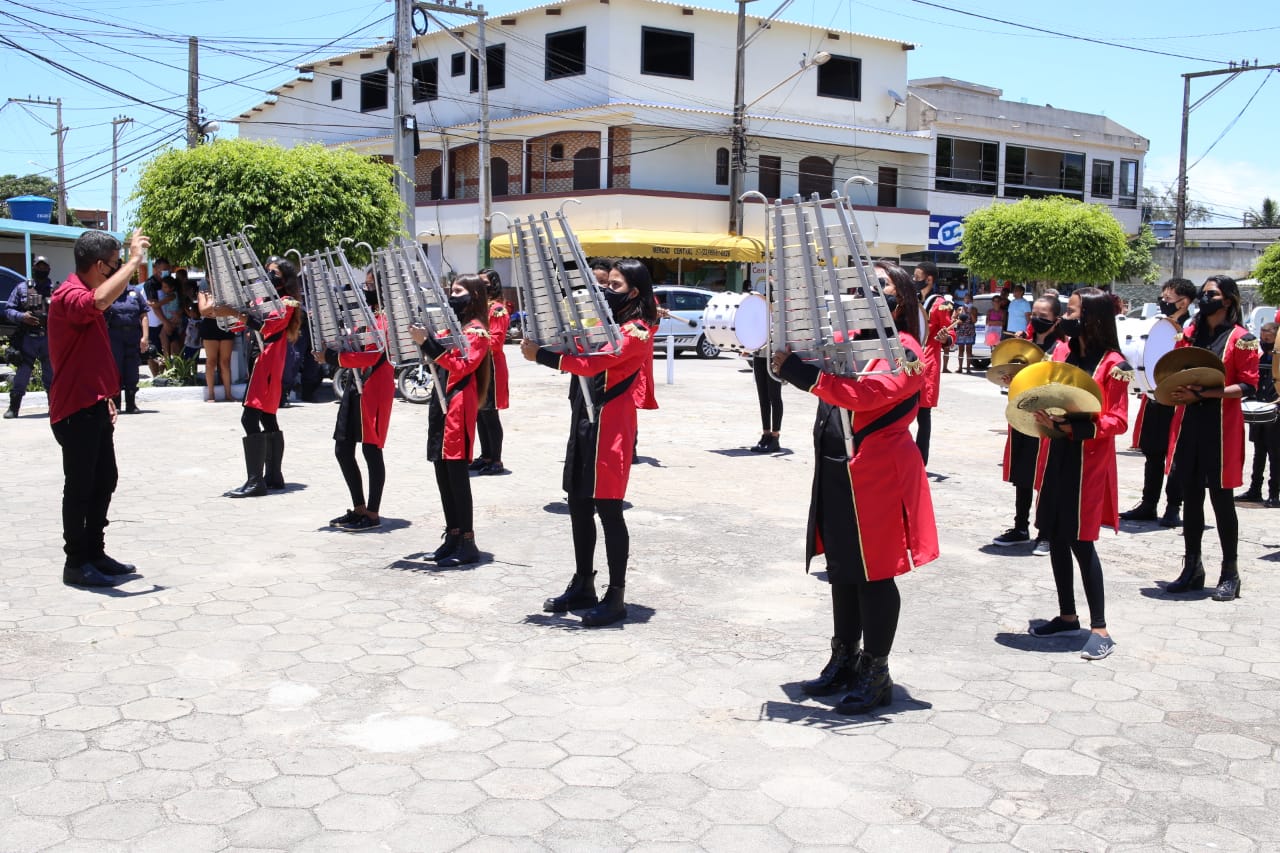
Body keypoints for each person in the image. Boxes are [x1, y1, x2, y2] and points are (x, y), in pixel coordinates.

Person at [780, 259, 937, 713]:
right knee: (844, 569)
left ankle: (876, 671)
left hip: (877, 472)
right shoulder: (849, 339)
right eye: (862, 285)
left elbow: (871, 394)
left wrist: (809, 377)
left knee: (874, 573)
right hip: (838, 466)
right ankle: (844, 658)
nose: (867, 291)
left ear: (900, 300)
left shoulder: (907, 348)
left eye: (880, 285)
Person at [522, 258, 658, 627]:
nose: (606, 291)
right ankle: (584, 583)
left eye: (615, 285)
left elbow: (592, 364)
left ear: (635, 292)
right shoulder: (607, 324)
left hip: (611, 424)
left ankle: (616, 596)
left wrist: (543, 357)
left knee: (609, 510)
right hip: (585, 416)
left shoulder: (637, 331)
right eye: (605, 283)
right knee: (578, 503)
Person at [1027, 287, 1128, 660]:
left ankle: (1100, 629)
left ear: (1093, 318)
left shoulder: (1115, 363)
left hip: (1088, 461)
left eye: (1071, 312)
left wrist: (1077, 427)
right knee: (1055, 534)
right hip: (1058, 453)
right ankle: (1068, 615)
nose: (1064, 318)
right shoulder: (1062, 353)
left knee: (1081, 541)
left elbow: (1118, 420)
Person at [47, 229, 150, 587]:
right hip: (74, 409)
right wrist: (134, 262)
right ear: (98, 265)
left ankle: (95, 552)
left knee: (105, 479)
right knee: (80, 485)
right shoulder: (68, 295)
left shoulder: (84, 293)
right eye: (114, 265)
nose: (117, 271)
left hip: (93, 403)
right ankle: (76, 563)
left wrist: (105, 395)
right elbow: (100, 301)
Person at [1161, 275, 1259, 602]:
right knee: (1191, 498)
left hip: (1220, 428)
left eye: (1211, 294)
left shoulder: (1241, 339)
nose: (1205, 299)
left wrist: (1207, 393)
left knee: (1221, 500)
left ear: (1228, 300)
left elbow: (1248, 385)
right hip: (1189, 424)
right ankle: (1192, 568)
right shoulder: (1191, 334)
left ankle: (1230, 573)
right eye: (1203, 294)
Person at [413, 274, 492, 567]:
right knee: (442, 471)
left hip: (458, 403)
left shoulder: (477, 331)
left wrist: (429, 344)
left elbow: (462, 365)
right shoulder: (454, 328)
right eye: (452, 290)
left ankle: (468, 541)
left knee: (457, 474)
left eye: (458, 291)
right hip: (441, 400)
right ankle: (453, 534)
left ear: (474, 296)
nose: (452, 295)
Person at [213, 257, 302, 498]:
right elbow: (246, 323)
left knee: (250, 417)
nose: (269, 276)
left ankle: (256, 481)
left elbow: (267, 326)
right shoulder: (264, 299)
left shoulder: (287, 301)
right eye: (267, 271)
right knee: (267, 416)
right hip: (260, 359)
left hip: (268, 362)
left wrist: (236, 313)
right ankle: (273, 476)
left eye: (275, 273)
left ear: (285, 279)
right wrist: (229, 314)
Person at [993, 294, 1065, 555]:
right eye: (1034, 314)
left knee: (1046, 477)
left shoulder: (1062, 347)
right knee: (1022, 474)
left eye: (1043, 316)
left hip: (1048, 419)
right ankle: (1020, 527)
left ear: (1056, 320)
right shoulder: (1023, 342)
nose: (1036, 319)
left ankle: (1046, 532)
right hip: (1023, 414)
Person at [1121, 278, 1196, 525]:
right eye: (1162, 297)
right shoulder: (1157, 325)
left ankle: (1174, 506)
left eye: (1168, 298)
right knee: (1153, 451)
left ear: (1184, 302)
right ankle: (1148, 503)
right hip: (1155, 397)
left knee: (1176, 455)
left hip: (1180, 400)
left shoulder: (1193, 328)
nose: (1163, 302)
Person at [324, 280, 394, 532]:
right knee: (343, 448)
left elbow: (373, 355)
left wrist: (334, 358)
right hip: (355, 383)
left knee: (371, 449)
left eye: (371, 285)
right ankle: (359, 508)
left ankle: (372, 513)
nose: (366, 289)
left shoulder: (385, 320)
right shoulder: (363, 317)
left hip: (374, 386)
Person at [3, 255, 56, 418]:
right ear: (33, 268)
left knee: (51, 374)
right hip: (28, 338)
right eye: (38, 266)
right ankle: (14, 407)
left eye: (44, 267)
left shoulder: (55, 289)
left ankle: (54, 408)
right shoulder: (22, 288)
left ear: (49, 269)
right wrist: (22, 316)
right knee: (23, 373)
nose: (41, 269)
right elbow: (8, 310)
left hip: (48, 338)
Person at [472, 268, 510, 476]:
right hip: (479, 364)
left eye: (484, 283)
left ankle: (496, 460)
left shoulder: (497, 310)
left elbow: (496, 341)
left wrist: (474, 342)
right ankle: (485, 456)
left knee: (490, 414)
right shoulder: (478, 307)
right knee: (480, 413)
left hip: (492, 366)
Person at [1238, 322, 1279, 506]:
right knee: (1259, 452)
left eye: (1268, 339)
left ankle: (1274, 493)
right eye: (1262, 338)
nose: (1264, 342)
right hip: (1260, 412)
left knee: (1275, 455)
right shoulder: (1261, 358)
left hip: (1275, 413)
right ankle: (1255, 490)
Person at [913, 261, 947, 465]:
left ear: (929, 279)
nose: (914, 280)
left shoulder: (940, 304)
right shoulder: (913, 299)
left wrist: (946, 338)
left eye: (917, 277)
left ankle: (920, 459)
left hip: (928, 362)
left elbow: (950, 332)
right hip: (911, 359)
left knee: (923, 415)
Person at [102, 274, 148, 414]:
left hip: (133, 336)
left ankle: (131, 403)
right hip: (114, 336)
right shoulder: (108, 293)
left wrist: (145, 337)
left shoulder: (135, 293)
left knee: (132, 369)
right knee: (115, 369)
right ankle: (116, 404)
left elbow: (144, 315)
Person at [749, 279, 784, 453]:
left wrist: (763, 300)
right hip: (759, 354)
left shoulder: (779, 308)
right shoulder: (760, 308)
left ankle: (775, 436)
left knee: (774, 396)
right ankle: (766, 434)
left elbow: (775, 312)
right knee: (763, 397)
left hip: (773, 356)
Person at [197, 273, 238, 403]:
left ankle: (228, 394)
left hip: (225, 325)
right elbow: (203, 311)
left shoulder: (227, 291)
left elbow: (231, 308)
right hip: (210, 327)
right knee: (211, 361)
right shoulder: (203, 292)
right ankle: (211, 394)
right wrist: (214, 303)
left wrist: (215, 309)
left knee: (225, 362)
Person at [141, 258, 170, 377]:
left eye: (167, 269)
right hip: (153, 324)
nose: (166, 271)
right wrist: (165, 322)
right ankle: (156, 376)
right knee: (152, 352)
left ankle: (162, 375)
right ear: (156, 269)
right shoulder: (150, 284)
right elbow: (154, 306)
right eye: (163, 269)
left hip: (164, 323)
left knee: (164, 350)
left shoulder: (167, 281)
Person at [953, 295, 977, 372]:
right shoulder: (960, 308)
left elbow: (974, 321)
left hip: (970, 331)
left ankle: (968, 368)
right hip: (961, 331)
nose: (967, 300)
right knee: (961, 350)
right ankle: (960, 368)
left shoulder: (973, 309)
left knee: (969, 350)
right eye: (966, 298)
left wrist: (970, 313)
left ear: (971, 300)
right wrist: (957, 320)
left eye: (969, 299)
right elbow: (953, 318)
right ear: (964, 300)